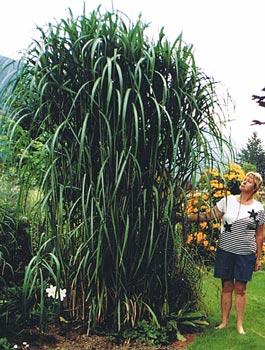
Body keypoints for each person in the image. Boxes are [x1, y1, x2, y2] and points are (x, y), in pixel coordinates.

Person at [186, 171, 265, 334]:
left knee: (241, 289)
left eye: (249, 181)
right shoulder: (227, 201)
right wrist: (185, 218)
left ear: (255, 188)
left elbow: (260, 234)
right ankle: (224, 321)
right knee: (227, 286)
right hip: (226, 251)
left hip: (245, 253)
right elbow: (209, 215)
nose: (244, 182)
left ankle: (240, 325)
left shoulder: (258, 208)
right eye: (244, 179)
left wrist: (258, 258)